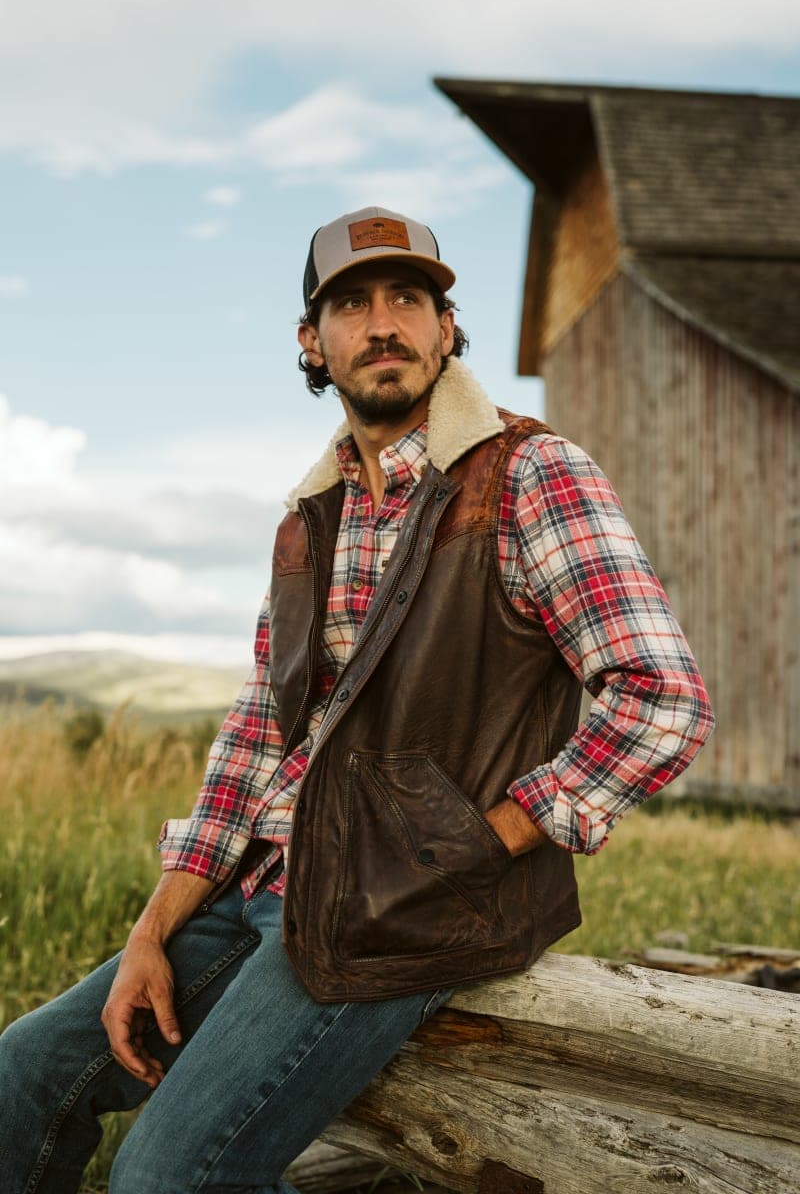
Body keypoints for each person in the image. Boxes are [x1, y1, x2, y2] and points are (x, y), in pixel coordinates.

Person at [0, 206, 714, 1192]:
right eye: (351, 302)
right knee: (21, 1072)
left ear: (443, 328)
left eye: (408, 298)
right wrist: (150, 929)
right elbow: (256, 740)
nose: (383, 323)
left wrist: (475, 844)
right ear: (312, 340)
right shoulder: (308, 518)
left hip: (402, 912)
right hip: (264, 888)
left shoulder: (528, 475)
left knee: (166, 1178)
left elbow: (659, 701)